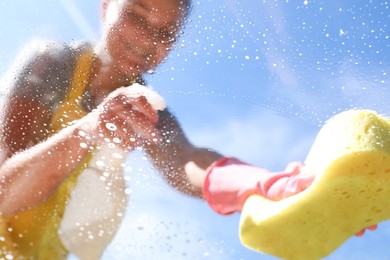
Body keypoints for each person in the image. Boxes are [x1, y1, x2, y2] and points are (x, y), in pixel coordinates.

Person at [0, 0, 355, 259]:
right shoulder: (54, 64)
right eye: (137, 13)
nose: (146, 38)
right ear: (106, 6)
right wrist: (91, 127)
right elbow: (5, 192)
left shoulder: (150, 107)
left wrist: (267, 185)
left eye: (165, 33)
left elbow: (188, 163)